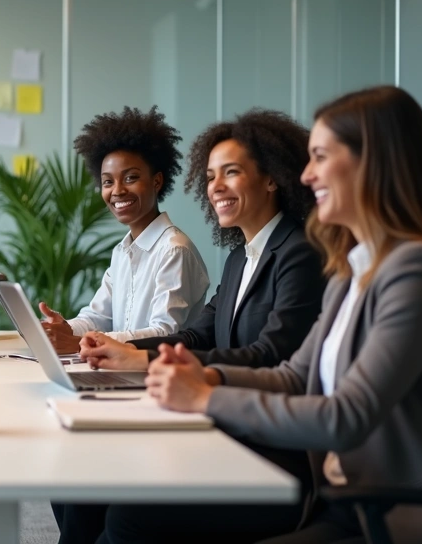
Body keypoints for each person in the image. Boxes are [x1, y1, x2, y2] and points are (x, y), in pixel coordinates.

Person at [137, 86, 422, 544]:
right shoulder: (353, 268)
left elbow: (345, 416)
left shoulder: (418, 271)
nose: (307, 175)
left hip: (395, 515)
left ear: (375, 163)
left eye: (321, 157)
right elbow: (294, 375)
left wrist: (205, 399)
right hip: (345, 502)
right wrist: (208, 378)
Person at [59, 109, 326, 544]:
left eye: (231, 173)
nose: (215, 187)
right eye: (209, 176)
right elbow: (197, 334)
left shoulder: (299, 254)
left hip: (271, 452)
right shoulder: (241, 256)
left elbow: (270, 357)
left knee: (128, 515)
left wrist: (146, 360)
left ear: (273, 178)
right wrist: (132, 353)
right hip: (222, 425)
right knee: (84, 482)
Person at [38, 107, 209, 355]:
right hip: (119, 369)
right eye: (108, 181)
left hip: (157, 376)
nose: (117, 191)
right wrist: (64, 328)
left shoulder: (174, 250)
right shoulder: (123, 250)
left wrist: (82, 343)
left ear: (157, 181)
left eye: (130, 178)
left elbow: (165, 333)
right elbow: (98, 315)